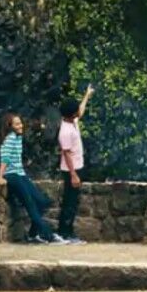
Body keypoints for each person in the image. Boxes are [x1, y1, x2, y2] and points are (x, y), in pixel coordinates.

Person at [0, 113, 65, 245]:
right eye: (16, 124)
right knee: (30, 205)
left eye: (20, 123)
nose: (20, 125)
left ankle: (33, 235)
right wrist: (0, 176)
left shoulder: (17, 138)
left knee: (41, 201)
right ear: (9, 127)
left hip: (20, 174)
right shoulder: (10, 139)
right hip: (12, 176)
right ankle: (49, 236)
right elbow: (4, 159)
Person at [56, 84, 94, 245]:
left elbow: (81, 111)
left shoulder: (71, 122)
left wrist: (87, 95)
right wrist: (73, 175)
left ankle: (66, 232)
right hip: (71, 170)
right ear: (72, 114)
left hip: (78, 166)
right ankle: (65, 233)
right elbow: (66, 154)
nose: (79, 110)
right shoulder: (65, 131)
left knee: (72, 200)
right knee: (69, 202)